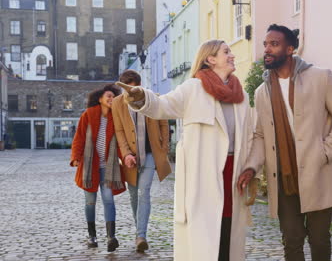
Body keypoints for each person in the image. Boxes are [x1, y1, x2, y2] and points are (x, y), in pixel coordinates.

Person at [117, 39, 254, 261]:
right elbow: (162, 106)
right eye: (226, 52)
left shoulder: (241, 95)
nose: (232, 55)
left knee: (229, 232)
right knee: (206, 238)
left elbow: (250, 135)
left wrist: (251, 167)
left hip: (233, 174)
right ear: (210, 59)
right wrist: (141, 96)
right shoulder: (193, 89)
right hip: (203, 176)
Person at [237, 24, 332, 261]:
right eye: (265, 44)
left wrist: (325, 151)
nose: (267, 50)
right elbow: (261, 135)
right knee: (291, 240)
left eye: (274, 44)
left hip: (317, 172)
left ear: (290, 49)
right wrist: (251, 166)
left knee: (319, 239)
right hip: (283, 177)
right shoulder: (262, 91)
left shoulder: (320, 77)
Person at [112, 70, 172, 252]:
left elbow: (163, 123)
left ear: (139, 85)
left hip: (151, 153)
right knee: (133, 195)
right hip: (131, 155)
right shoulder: (117, 103)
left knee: (143, 192)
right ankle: (140, 231)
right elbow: (119, 130)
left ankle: (141, 236)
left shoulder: (153, 97)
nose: (129, 92)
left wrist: (163, 148)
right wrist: (126, 154)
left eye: (132, 88)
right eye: (126, 89)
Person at [70, 84, 126, 252]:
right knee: (90, 202)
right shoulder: (88, 115)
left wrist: (127, 158)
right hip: (89, 166)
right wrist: (75, 158)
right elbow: (79, 138)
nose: (111, 99)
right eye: (108, 96)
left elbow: (122, 140)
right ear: (100, 98)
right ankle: (92, 236)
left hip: (108, 167)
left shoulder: (116, 116)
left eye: (114, 96)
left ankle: (111, 237)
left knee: (109, 200)